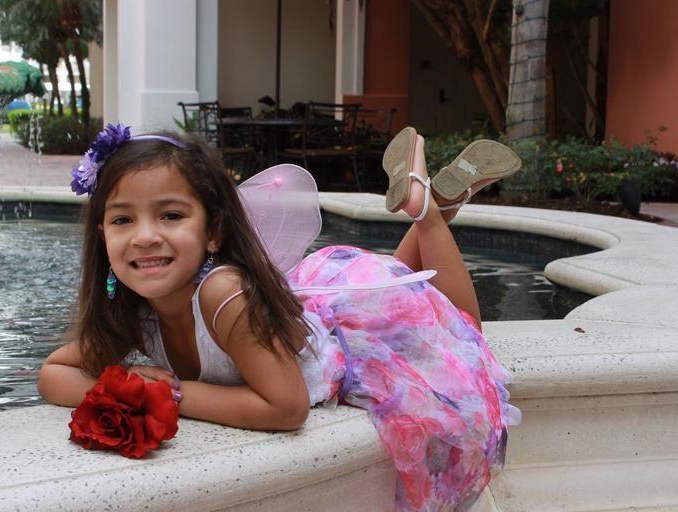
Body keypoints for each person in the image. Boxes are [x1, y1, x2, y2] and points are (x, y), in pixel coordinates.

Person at [38, 123, 521, 511]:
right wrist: (127, 384)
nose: (144, 236)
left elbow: (287, 408)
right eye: (122, 219)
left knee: (464, 338)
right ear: (103, 236)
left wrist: (167, 393)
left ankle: (428, 214)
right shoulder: (133, 308)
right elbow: (52, 374)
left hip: (346, 348)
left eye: (171, 216)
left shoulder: (222, 295)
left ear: (213, 231)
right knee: (402, 291)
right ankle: (431, 201)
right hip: (327, 309)